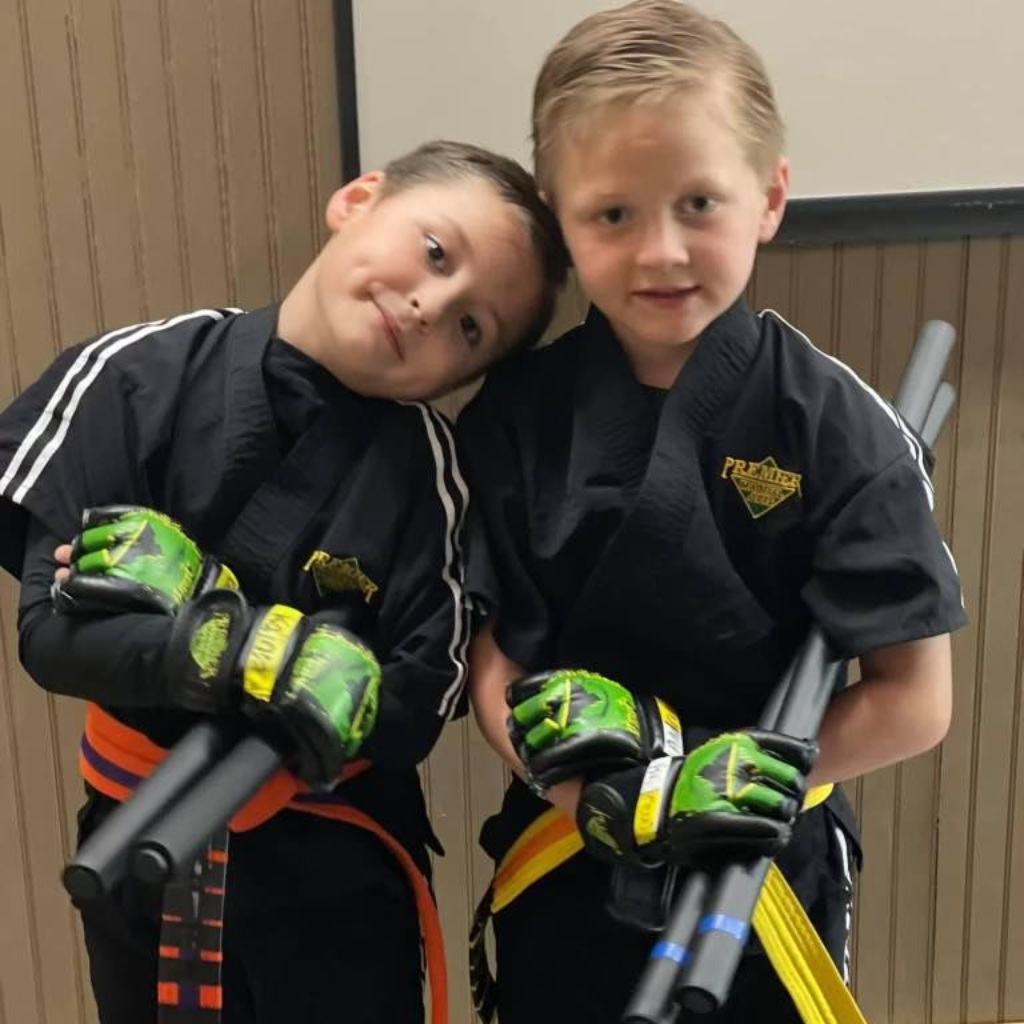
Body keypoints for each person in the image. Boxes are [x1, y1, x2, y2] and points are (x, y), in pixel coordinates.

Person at [457, 4, 966, 1022]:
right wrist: (591, 797)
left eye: (699, 202)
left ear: (770, 198)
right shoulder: (514, 416)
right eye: (612, 215)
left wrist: (730, 781)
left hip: (763, 859)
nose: (660, 251)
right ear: (559, 215)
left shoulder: (833, 424)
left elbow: (914, 698)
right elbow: (490, 658)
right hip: (573, 841)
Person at [0, 139, 567, 1024]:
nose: (429, 304)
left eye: (470, 328)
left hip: (334, 883)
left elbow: (416, 705)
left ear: (464, 377)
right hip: (135, 847)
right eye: (434, 251)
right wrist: (224, 647)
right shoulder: (136, 376)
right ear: (359, 198)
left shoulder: (434, 482)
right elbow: (48, 630)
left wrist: (315, 671)